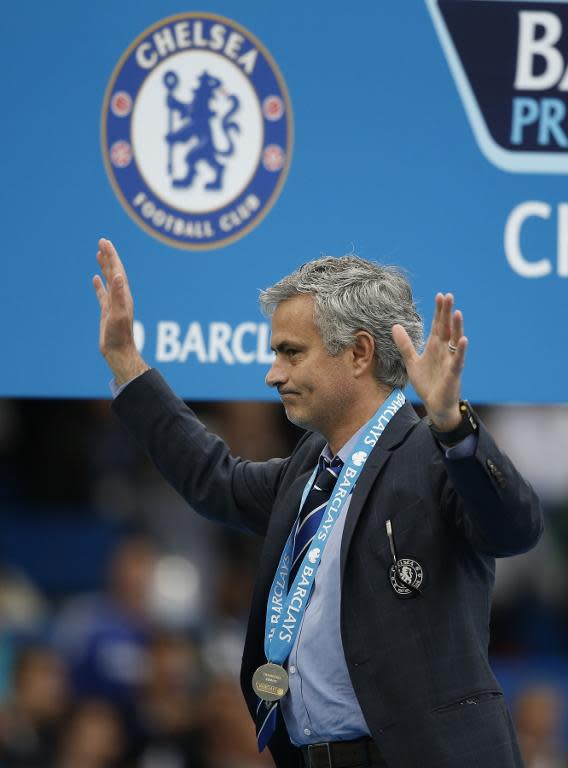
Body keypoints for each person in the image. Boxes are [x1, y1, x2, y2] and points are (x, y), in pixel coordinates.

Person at [93, 238, 543, 768]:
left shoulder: (432, 452)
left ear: (358, 353)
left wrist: (452, 426)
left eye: (291, 352)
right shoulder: (309, 471)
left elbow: (516, 528)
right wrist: (126, 361)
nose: (273, 374)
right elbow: (214, 479)